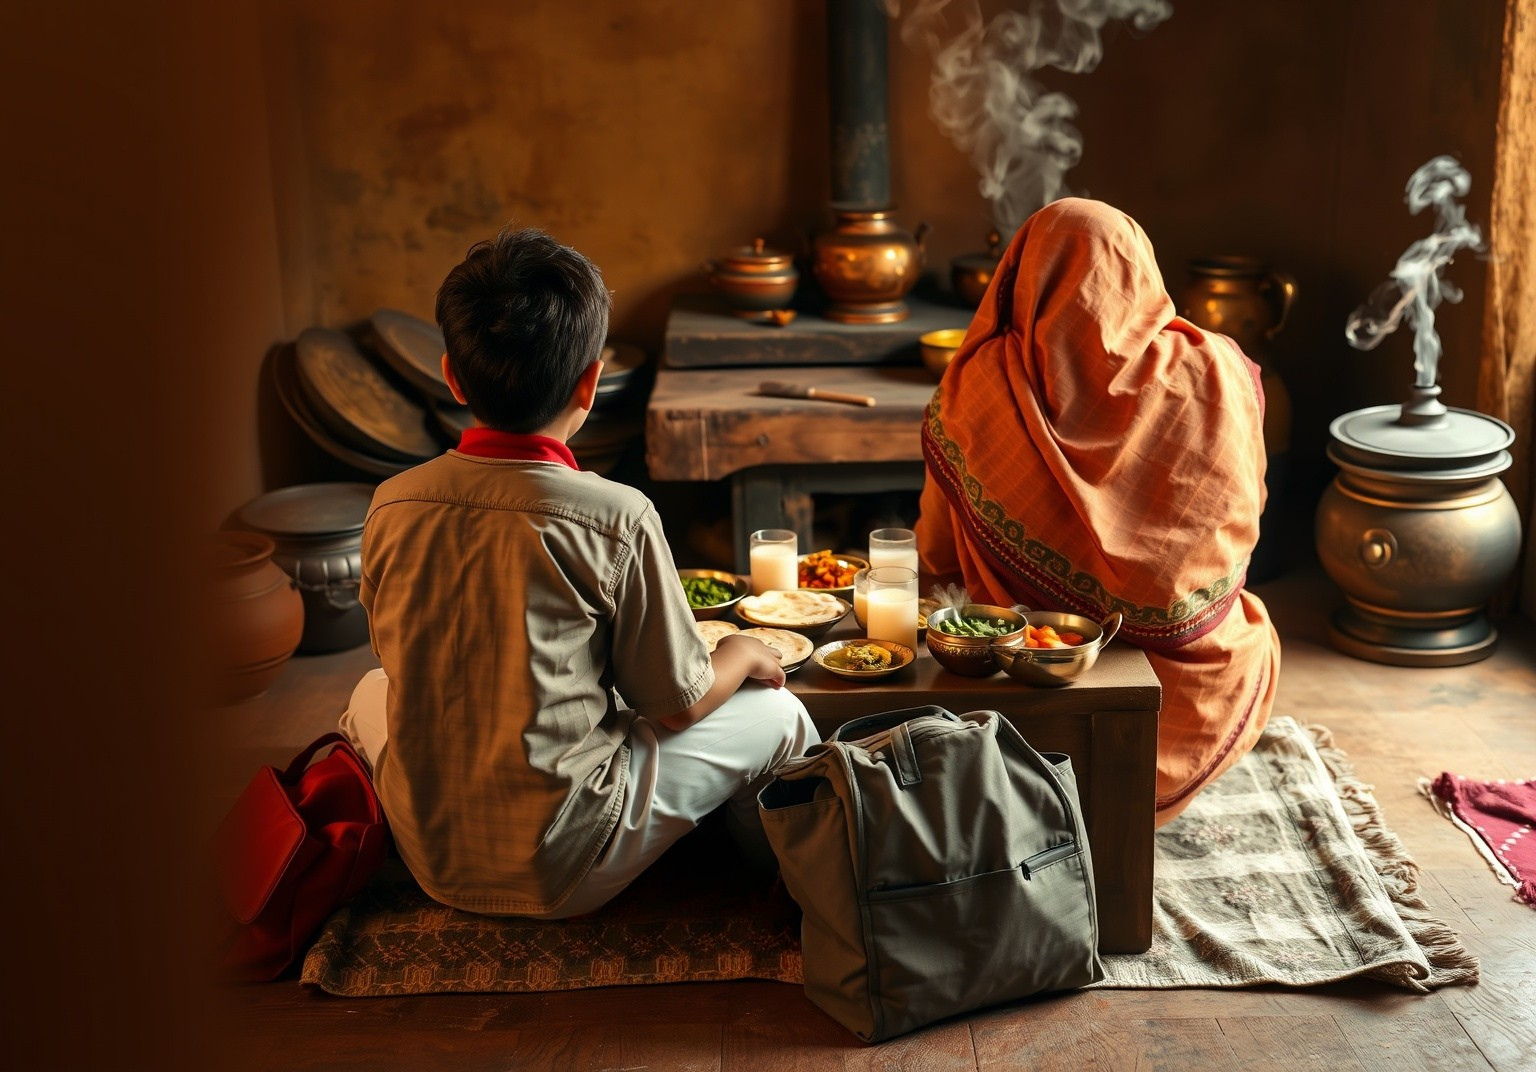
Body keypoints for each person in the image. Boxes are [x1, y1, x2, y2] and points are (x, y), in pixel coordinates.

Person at [340, 228, 819, 918]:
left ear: (451, 375)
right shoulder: (615, 515)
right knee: (779, 714)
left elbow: (404, 657)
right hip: (563, 863)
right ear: (591, 383)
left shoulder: (392, 502)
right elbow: (675, 705)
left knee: (369, 686)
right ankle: (759, 885)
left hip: (433, 863)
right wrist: (741, 653)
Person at [915, 197, 1281, 827]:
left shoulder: (978, 382)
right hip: (1188, 694)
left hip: (1018, 678)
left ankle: (1029, 783)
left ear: (1019, 278)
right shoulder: (1213, 371)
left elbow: (936, 557)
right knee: (1257, 631)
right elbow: (1238, 521)